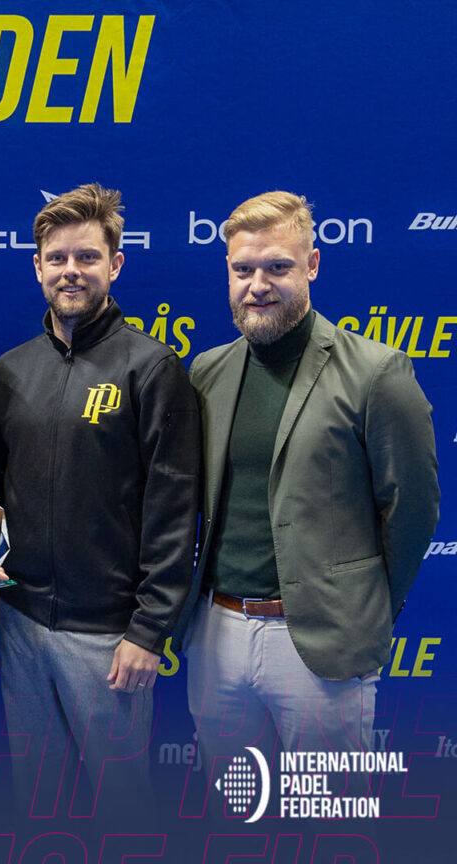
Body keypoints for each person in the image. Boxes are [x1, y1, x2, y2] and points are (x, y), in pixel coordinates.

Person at [184, 191, 438, 771]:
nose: (257, 285)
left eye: (278, 267)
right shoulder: (207, 371)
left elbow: (413, 509)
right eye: (242, 270)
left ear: (313, 265)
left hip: (322, 642)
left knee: (325, 813)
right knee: (231, 810)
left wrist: (365, 610)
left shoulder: (376, 373)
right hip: (216, 634)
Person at [0, 183, 200, 816]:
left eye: (88, 257)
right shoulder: (11, 372)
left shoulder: (152, 369)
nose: (71, 270)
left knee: (123, 813)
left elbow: (174, 512)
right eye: (58, 258)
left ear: (115, 265)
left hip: (108, 637)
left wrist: (149, 631)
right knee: (39, 805)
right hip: (20, 626)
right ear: (37, 267)